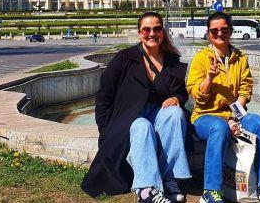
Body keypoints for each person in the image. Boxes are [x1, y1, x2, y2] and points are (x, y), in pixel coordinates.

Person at [81, 12, 191, 203]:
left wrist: (176, 98)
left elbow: (181, 92)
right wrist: (104, 129)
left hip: (158, 113)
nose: (152, 33)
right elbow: (105, 95)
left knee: (175, 114)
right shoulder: (125, 58)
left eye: (157, 29)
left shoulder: (172, 60)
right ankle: (146, 189)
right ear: (140, 33)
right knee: (142, 126)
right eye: (146, 29)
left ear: (163, 32)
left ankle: (168, 178)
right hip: (130, 116)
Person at [186, 12, 260, 203]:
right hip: (206, 116)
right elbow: (197, 98)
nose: (219, 34)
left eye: (224, 29)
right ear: (209, 34)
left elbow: (246, 89)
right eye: (214, 31)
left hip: (236, 114)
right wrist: (209, 78)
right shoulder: (201, 59)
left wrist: (234, 118)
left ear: (230, 31)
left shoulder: (239, 57)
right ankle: (211, 190)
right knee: (218, 128)